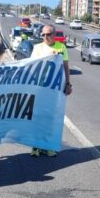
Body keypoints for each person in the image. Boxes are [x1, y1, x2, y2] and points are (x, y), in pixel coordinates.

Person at [29, 24, 72, 157]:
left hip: (55, 88)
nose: (45, 37)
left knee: (50, 117)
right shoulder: (37, 48)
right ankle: (35, 146)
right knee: (37, 116)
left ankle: (48, 146)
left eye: (48, 34)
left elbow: (65, 66)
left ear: (54, 35)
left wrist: (68, 83)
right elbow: (31, 67)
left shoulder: (61, 47)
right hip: (40, 88)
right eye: (43, 34)